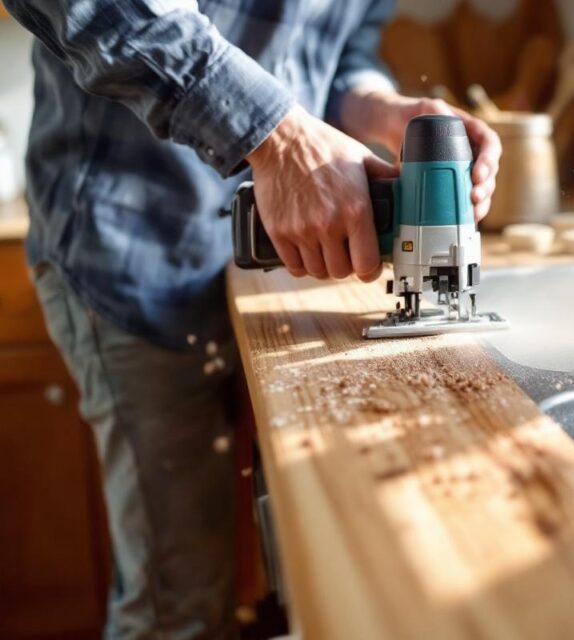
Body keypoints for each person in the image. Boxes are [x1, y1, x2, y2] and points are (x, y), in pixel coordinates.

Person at [1, 0, 501, 637]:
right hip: (135, 245)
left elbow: (339, 53)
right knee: (176, 608)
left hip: (264, 273)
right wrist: (281, 137)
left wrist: (382, 106)